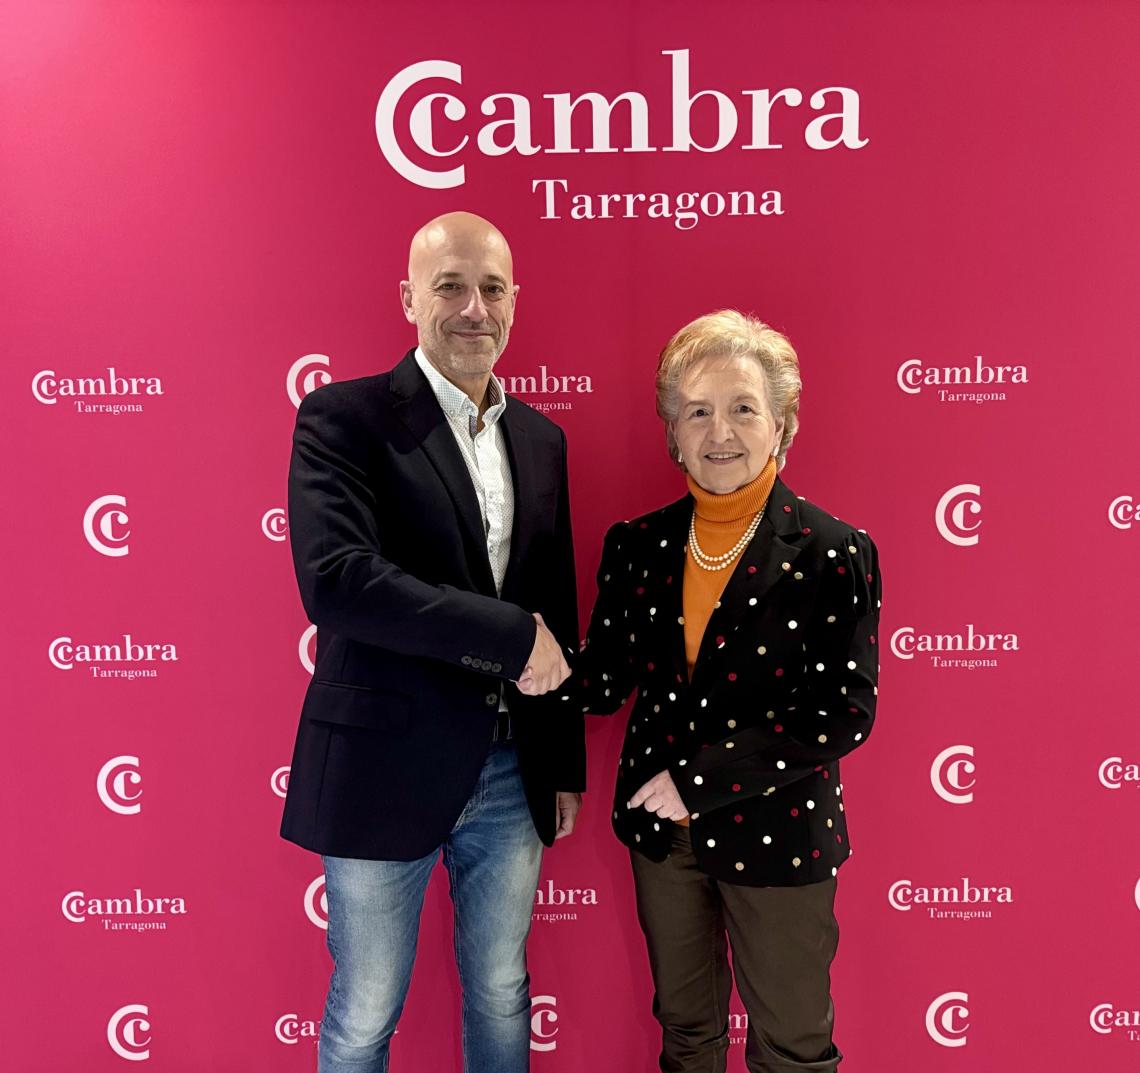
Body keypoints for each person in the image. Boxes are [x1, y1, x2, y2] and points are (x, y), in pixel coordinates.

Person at [281, 211, 584, 1073]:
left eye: (492, 288)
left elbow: (554, 604)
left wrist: (559, 758)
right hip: (381, 762)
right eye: (450, 285)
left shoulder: (542, 439)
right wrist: (510, 635)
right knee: (365, 1010)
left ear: (515, 301)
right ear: (410, 298)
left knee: (501, 989)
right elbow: (339, 581)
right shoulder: (343, 418)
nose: (474, 308)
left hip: (510, 769)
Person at [573, 310, 881, 1073]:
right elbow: (602, 683)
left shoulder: (834, 551)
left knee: (792, 1046)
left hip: (780, 829)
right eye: (697, 411)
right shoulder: (638, 545)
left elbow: (843, 712)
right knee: (687, 1035)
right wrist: (515, 648)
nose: (720, 432)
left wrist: (697, 780)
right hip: (663, 837)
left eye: (743, 408)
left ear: (782, 424)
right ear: (673, 433)